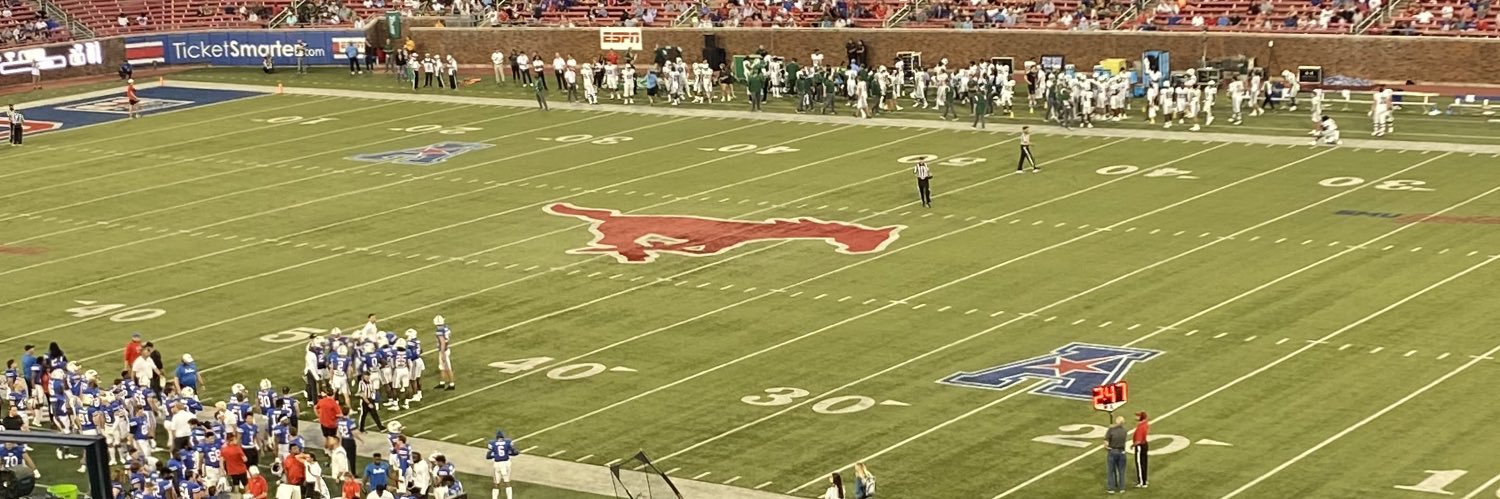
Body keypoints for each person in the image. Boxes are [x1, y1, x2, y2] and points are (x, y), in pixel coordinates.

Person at [486, 430, 519, 499]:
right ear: (503, 437)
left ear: (497, 437)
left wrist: (495, 455)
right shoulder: (507, 442)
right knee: (507, 483)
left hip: (497, 464)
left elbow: (488, 456)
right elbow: (515, 452)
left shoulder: (492, 443)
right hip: (506, 463)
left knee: (496, 484)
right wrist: (509, 453)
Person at [1104, 416, 1128, 495]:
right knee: (1121, 471)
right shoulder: (1124, 431)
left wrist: (1107, 448)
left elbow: (1106, 443)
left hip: (1112, 452)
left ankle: (1111, 488)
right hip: (1122, 452)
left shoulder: (1111, 430)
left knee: (1111, 471)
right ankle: (1122, 488)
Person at [434, 316, 455, 390]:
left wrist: (442, 353)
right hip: (446, 348)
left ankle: (452, 384)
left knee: (447, 368)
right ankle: (442, 382)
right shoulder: (446, 327)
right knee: (442, 367)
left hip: (444, 350)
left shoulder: (439, 330)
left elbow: (442, 342)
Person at [1133, 412, 1150, 488]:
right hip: (1145, 444)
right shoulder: (1145, 424)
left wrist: (1132, 445)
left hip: (1140, 446)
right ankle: (1144, 479)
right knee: (1144, 463)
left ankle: (1141, 482)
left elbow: (1138, 441)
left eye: (1137, 416)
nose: (1135, 417)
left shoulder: (1140, 427)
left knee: (1139, 464)